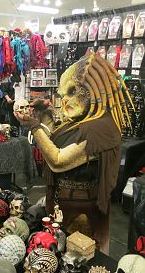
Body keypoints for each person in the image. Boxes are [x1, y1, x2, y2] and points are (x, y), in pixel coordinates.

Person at [15, 53, 133, 254]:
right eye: (63, 95)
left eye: (72, 92)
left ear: (93, 91)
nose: (66, 101)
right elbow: (57, 140)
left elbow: (58, 160)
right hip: (64, 205)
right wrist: (46, 114)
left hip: (83, 212)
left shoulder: (100, 130)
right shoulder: (87, 121)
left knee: (80, 258)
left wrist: (34, 126)